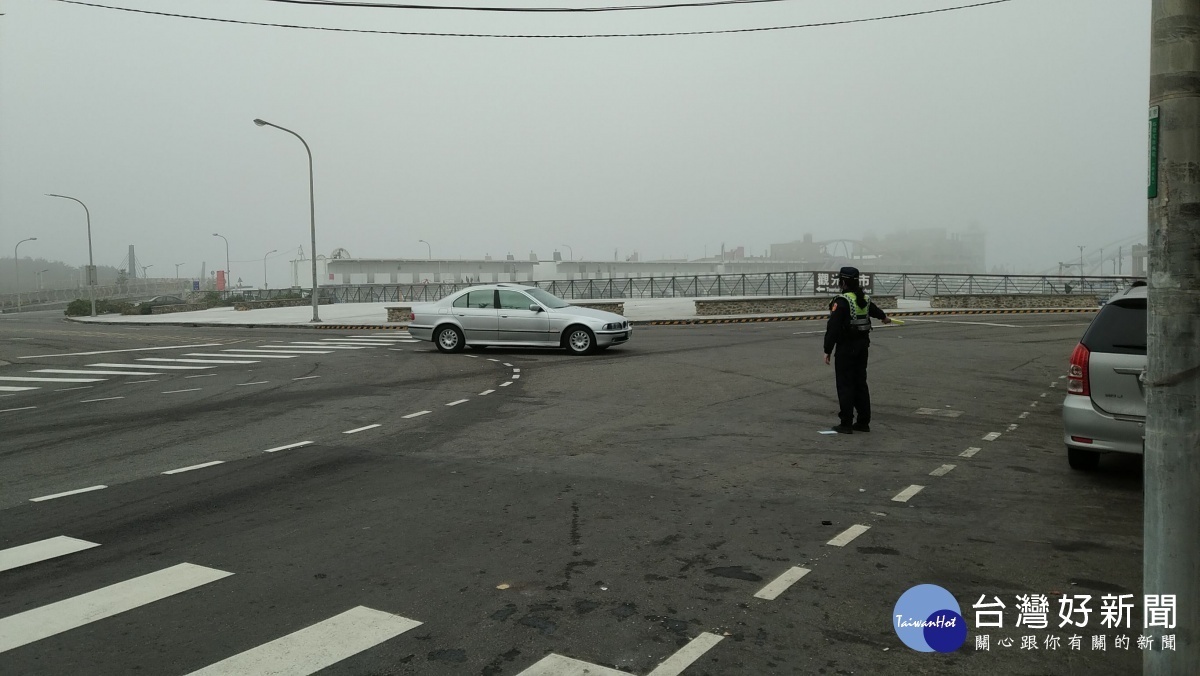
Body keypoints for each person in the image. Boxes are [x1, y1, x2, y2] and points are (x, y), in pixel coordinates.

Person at [823, 267, 891, 434]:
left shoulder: (842, 301)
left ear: (843, 282)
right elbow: (875, 311)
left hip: (846, 348)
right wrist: (884, 318)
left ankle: (846, 422)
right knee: (860, 383)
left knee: (845, 384)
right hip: (862, 347)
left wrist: (827, 350)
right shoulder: (864, 299)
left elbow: (833, 327)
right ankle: (863, 421)